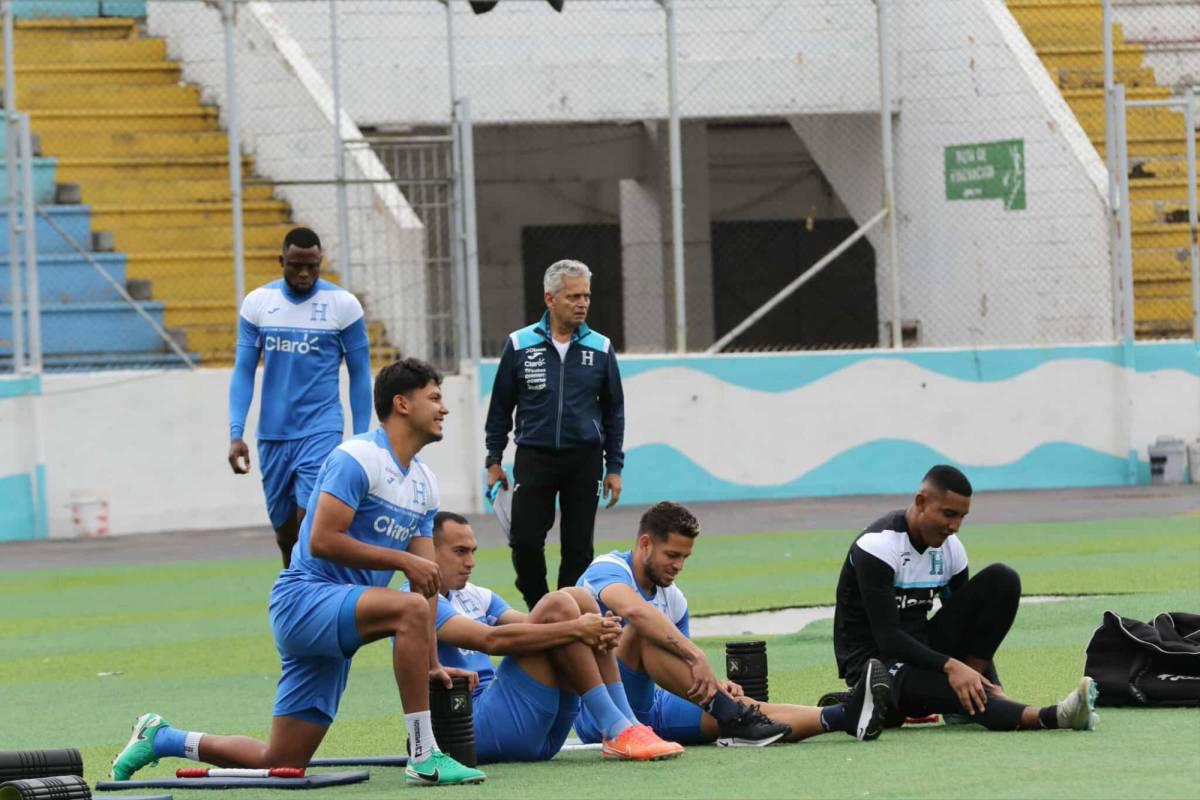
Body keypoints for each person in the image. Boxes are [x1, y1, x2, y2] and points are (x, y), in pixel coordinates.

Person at [111, 359, 486, 787]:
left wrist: (433, 662)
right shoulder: (358, 457)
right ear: (402, 404)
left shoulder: (425, 482)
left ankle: (162, 737)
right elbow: (322, 540)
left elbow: (426, 582)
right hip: (305, 599)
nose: (445, 408)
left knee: (282, 759)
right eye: (435, 397)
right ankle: (424, 754)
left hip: (340, 619)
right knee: (408, 609)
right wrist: (402, 560)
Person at [574, 501, 891, 747]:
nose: (678, 566)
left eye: (685, 557)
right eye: (672, 555)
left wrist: (714, 683)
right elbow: (637, 613)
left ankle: (844, 716)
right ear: (645, 544)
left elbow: (679, 668)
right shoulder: (608, 568)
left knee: (744, 709)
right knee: (644, 632)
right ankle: (731, 714)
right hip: (600, 713)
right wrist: (698, 657)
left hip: (650, 706)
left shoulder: (674, 599)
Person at [831, 464, 1098, 732]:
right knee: (961, 693)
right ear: (921, 502)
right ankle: (1058, 716)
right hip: (876, 664)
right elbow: (888, 638)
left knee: (1003, 579)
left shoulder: (950, 549)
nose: (955, 526)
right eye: (948, 514)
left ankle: (973, 698)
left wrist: (984, 678)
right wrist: (951, 667)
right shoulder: (878, 546)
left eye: (962, 517)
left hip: (922, 649)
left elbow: (973, 627)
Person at [424, 511, 684, 762]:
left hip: (531, 729)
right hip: (469, 726)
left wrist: (594, 631)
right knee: (559, 606)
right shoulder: (422, 600)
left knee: (577, 599)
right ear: (429, 552)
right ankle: (615, 727)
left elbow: (536, 626)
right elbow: (490, 641)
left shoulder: (474, 594)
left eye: (472, 552)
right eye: (460, 552)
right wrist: (577, 629)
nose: (470, 562)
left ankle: (625, 723)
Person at [228, 227, 373, 567]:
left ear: (321, 261)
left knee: (312, 525)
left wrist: (362, 438)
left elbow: (361, 375)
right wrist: (236, 433)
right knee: (285, 534)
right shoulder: (258, 304)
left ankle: (317, 602)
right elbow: (243, 372)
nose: (304, 273)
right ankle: (296, 597)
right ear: (282, 261)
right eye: (295, 265)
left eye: (312, 265)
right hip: (273, 434)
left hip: (321, 429)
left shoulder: (343, 306)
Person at [484, 259, 625, 609]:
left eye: (587, 296)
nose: (582, 304)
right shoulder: (519, 344)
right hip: (534, 455)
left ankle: (568, 612)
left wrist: (614, 467)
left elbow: (614, 411)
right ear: (550, 298)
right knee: (525, 541)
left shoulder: (601, 347)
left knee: (579, 548)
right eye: (573, 296)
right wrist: (493, 459)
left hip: (585, 459)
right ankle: (540, 607)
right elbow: (501, 407)